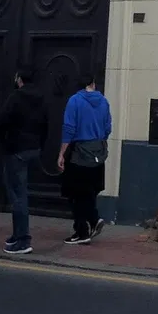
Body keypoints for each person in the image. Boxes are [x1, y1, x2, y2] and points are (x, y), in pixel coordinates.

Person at [0, 68, 48, 254]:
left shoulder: (16, 97)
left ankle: (23, 239)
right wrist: (40, 146)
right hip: (33, 149)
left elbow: (2, 122)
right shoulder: (41, 98)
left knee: (18, 196)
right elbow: (46, 124)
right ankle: (16, 234)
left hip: (16, 150)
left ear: (20, 80)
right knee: (19, 192)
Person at [57, 70, 112, 245]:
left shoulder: (75, 101)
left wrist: (61, 153)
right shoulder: (104, 101)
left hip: (79, 153)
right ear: (93, 84)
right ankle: (89, 223)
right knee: (89, 191)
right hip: (98, 153)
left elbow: (69, 128)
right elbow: (108, 127)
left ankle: (84, 229)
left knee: (75, 193)